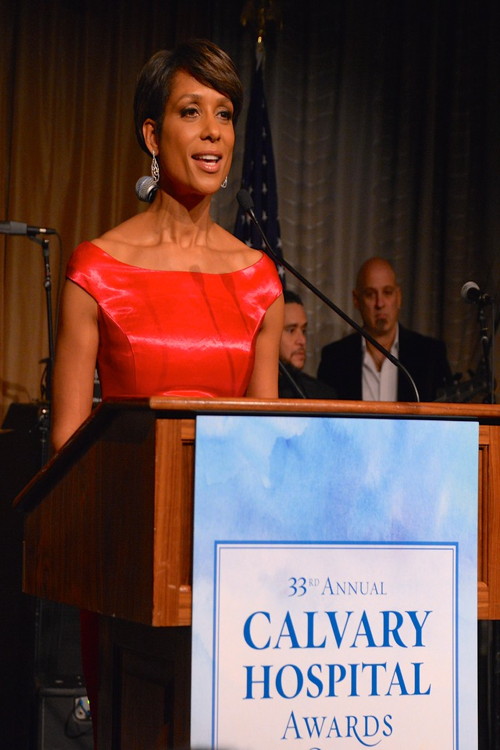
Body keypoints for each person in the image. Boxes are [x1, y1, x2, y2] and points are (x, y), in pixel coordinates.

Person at [50, 39, 284, 739]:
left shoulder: (259, 279)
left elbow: (267, 444)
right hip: (127, 566)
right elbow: (67, 443)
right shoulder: (97, 270)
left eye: (225, 114)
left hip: (231, 568)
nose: (214, 132)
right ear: (153, 134)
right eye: (192, 112)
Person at [317, 257, 452, 402]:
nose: (380, 303)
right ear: (356, 300)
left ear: (398, 297)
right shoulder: (334, 358)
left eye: (387, 292)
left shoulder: (430, 354)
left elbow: (448, 415)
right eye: (370, 294)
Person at [278, 290, 337, 398]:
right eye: (291, 330)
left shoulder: (322, 395)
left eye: (303, 331)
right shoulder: (248, 392)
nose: (302, 341)